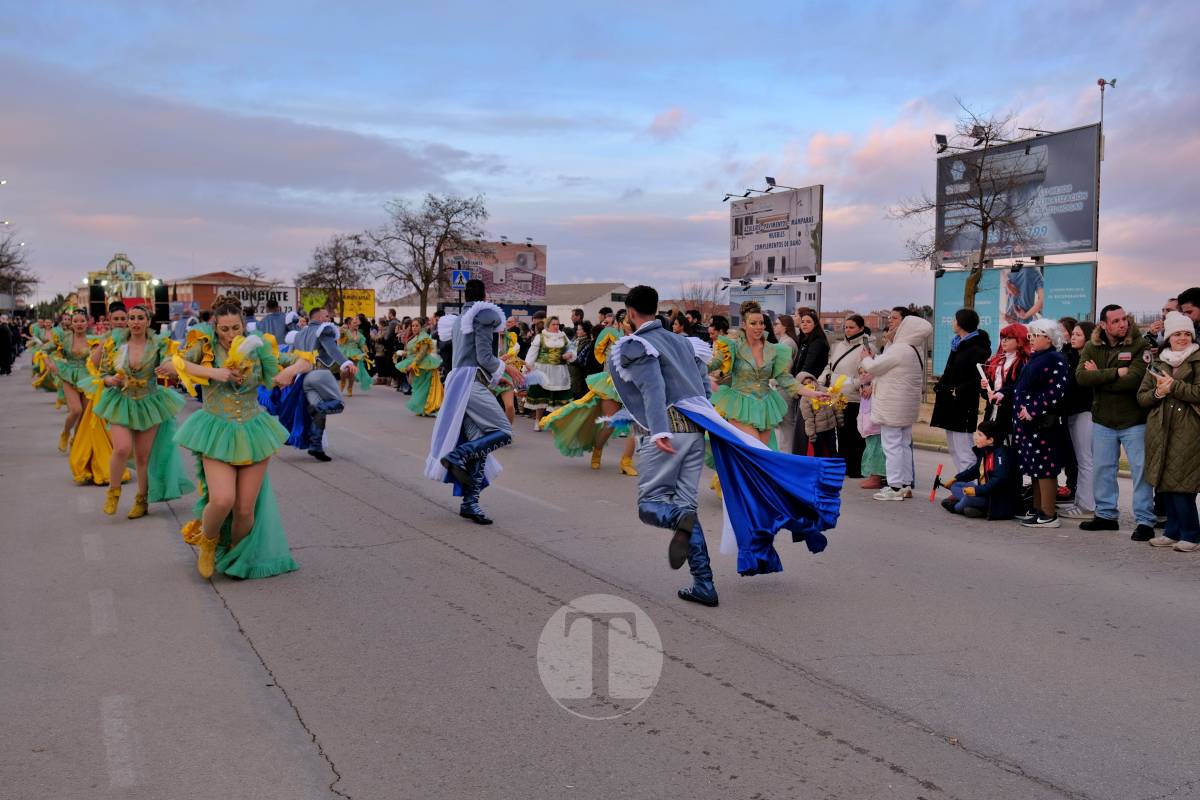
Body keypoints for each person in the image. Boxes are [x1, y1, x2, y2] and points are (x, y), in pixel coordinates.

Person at [609, 285, 844, 604]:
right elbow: (703, 384)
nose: (760, 327)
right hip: (696, 429)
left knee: (651, 505)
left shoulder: (639, 344)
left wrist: (660, 432)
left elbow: (653, 388)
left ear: (631, 314)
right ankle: (703, 583)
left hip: (671, 429)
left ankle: (681, 526)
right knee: (686, 503)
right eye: (755, 323)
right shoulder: (681, 341)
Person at [166, 294, 312, 579]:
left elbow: (305, 359)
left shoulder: (260, 347)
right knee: (222, 500)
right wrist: (215, 372)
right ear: (215, 326)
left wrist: (290, 372)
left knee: (245, 509)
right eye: (224, 329)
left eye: (236, 328)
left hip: (253, 429)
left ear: (244, 325)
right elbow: (172, 364)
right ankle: (208, 544)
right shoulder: (203, 344)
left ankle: (235, 555)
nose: (231, 334)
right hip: (217, 429)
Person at [425, 279, 524, 525]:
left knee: (478, 442)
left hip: (463, 381)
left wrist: (496, 378)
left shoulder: (461, 317)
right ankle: (457, 456)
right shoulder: (482, 314)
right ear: (485, 295)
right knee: (503, 431)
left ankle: (470, 503)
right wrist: (507, 370)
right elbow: (483, 356)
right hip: (469, 382)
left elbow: (472, 357)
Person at [92, 304, 192, 518]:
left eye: (140, 318)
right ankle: (114, 492)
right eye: (132, 318)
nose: (136, 322)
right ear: (127, 321)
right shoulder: (117, 343)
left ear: (148, 321)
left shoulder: (158, 344)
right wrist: (111, 380)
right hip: (122, 401)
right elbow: (104, 374)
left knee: (142, 457)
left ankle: (141, 500)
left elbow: (171, 363)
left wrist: (169, 367)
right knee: (121, 448)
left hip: (149, 401)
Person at [1075, 305, 1155, 540]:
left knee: (1141, 471)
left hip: (1134, 420)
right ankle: (1106, 516)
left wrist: (1099, 376)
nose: (1123, 324)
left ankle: (1145, 521)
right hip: (1103, 420)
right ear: (1103, 325)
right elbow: (1081, 377)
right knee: (1103, 469)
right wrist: (1115, 372)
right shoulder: (1092, 346)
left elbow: (1134, 380)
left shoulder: (1140, 345)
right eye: (1116, 321)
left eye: (1124, 319)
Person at [709, 301, 823, 447]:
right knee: (755, 449)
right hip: (740, 407)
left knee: (763, 455)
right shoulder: (732, 346)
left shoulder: (773, 349)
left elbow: (785, 379)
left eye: (761, 323)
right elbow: (713, 365)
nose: (758, 327)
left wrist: (813, 394)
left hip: (764, 407)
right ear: (744, 324)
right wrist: (696, 364)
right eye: (753, 323)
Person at [1137, 311, 1200, 551]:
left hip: (1189, 429)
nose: (1182, 338)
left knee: (1182, 483)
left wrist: (1173, 386)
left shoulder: (1197, 359)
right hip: (1160, 428)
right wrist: (1158, 393)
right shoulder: (1158, 361)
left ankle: (1191, 535)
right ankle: (1172, 531)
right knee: (1165, 481)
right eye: (1177, 334)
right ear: (1168, 337)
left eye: (1186, 333)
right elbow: (1142, 398)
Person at [860, 313, 933, 500]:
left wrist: (866, 358)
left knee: (891, 445)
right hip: (906, 407)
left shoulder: (899, 349)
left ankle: (894, 486)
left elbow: (875, 367)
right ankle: (905, 484)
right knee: (903, 445)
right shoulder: (914, 348)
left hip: (892, 406)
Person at [1011, 318, 1071, 528]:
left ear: (1050, 338)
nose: (1032, 339)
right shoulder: (1037, 357)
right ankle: (1038, 509)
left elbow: (1056, 390)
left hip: (1043, 423)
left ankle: (1048, 513)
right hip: (1028, 424)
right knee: (1035, 467)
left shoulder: (1055, 358)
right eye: (1031, 335)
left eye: (1037, 335)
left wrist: (1033, 409)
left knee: (1045, 467)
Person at [288, 306, 356, 461]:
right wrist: (346, 363)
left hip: (303, 377)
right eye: (326, 315)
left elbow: (292, 356)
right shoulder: (324, 329)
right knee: (337, 403)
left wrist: (290, 374)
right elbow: (332, 350)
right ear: (318, 318)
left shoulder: (299, 334)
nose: (329, 318)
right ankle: (314, 410)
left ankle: (315, 446)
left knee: (321, 410)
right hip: (319, 374)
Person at [931, 308, 993, 473]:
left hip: (963, 403)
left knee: (964, 448)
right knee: (953, 448)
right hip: (950, 402)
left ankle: (970, 487)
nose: (952, 323)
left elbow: (977, 377)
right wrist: (941, 386)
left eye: (954, 320)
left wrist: (958, 390)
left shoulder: (977, 348)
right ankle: (961, 484)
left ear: (962, 323)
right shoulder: (957, 344)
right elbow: (950, 370)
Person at [938, 419, 1019, 519]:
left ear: (990, 440)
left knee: (967, 499)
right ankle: (974, 508)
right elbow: (975, 470)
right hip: (983, 492)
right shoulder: (985, 450)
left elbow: (998, 480)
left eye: (980, 435)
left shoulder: (1000, 454)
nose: (975, 437)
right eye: (976, 433)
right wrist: (956, 478)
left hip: (993, 498)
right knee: (956, 485)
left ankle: (957, 507)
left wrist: (976, 491)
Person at [1059, 321, 1096, 519]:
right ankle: (1080, 502)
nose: (1073, 337)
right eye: (1072, 334)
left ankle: (1087, 505)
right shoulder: (1071, 357)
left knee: (1085, 459)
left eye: (1078, 334)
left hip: (1085, 412)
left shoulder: (1090, 360)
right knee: (1080, 459)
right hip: (1072, 412)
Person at [826, 315, 870, 479]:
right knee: (841, 433)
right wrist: (824, 380)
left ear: (860, 328)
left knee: (855, 434)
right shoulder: (838, 346)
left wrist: (852, 384)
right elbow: (830, 366)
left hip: (853, 396)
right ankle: (844, 465)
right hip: (837, 395)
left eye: (851, 327)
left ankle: (856, 468)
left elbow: (867, 373)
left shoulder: (865, 348)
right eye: (846, 327)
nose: (847, 330)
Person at [981, 323, 1030, 444]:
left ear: (1020, 340)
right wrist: (985, 387)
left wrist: (1002, 394)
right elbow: (987, 394)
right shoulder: (995, 360)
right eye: (1003, 337)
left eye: (1009, 338)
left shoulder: (1024, 362)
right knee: (989, 450)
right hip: (992, 413)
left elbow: (1021, 387)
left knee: (1007, 452)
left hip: (1010, 414)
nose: (1004, 341)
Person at [790, 307, 830, 455]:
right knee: (802, 427)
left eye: (808, 322)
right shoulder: (804, 340)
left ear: (815, 324)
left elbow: (808, 366)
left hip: (812, 387)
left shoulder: (817, 342)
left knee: (809, 427)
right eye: (802, 322)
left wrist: (799, 382)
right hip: (802, 385)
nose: (804, 324)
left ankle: (809, 458)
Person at [523, 315, 574, 428]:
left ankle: (556, 422)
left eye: (557, 324)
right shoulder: (540, 337)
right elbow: (532, 354)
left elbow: (571, 349)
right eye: (553, 324)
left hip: (559, 371)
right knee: (541, 396)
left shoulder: (563, 336)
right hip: (543, 370)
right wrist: (528, 367)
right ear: (548, 325)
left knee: (559, 398)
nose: (556, 326)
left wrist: (569, 354)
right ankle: (538, 421)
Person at [394, 317, 443, 417]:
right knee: (417, 386)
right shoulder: (415, 337)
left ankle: (428, 408)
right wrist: (402, 353)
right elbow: (411, 352)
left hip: (424, 365)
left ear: (422, 327)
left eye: (417, 326)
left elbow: (422, 353)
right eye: (413, 326)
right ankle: (422, 407)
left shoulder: (424, 337)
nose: (414, 328)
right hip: (415, 363)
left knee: (424, 387)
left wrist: (413, 365)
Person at [797, 372, 840, 457]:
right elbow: (808, 418)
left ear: (814, 380)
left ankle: (834, 468)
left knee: (833, 449)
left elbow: (834, 405)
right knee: (818, 452)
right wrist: (811, 434)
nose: (809, 385)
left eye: (810, 381)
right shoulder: (805, 399)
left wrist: (839, 419)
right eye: (805, 384)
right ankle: (820, 469)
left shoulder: (824, 390)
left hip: (831, 427)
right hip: (818, 431)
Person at [337, 314, 373, 396]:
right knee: (344, 370)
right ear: (349, 324)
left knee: (352, 372)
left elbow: (362, 345)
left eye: (357, 323)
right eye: (354, 323)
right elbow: (339, 338)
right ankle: (343, 382)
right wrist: (341, 330)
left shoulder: (360, 335)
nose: (356, 324)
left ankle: (350, 388)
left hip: (356, 354)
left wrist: (365, 352)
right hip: (345, 353)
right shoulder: (345, 332)